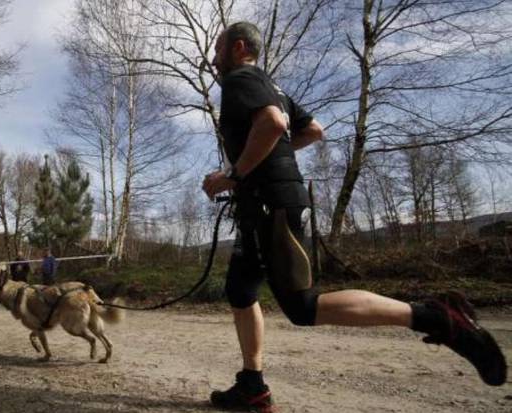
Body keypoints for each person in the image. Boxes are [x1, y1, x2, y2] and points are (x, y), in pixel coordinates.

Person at [201, 21, 507, 412]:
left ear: (239, 47)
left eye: (217, 50)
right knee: (241, 291)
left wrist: (234, 173)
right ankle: (252, 385)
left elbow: (274, 124)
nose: (213, 60)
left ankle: (436, 317)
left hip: (271, 205)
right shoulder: (271, 86)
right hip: (262, 205)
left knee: (302, 307)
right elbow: (312, 130)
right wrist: (268, 159)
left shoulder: (240, 78)